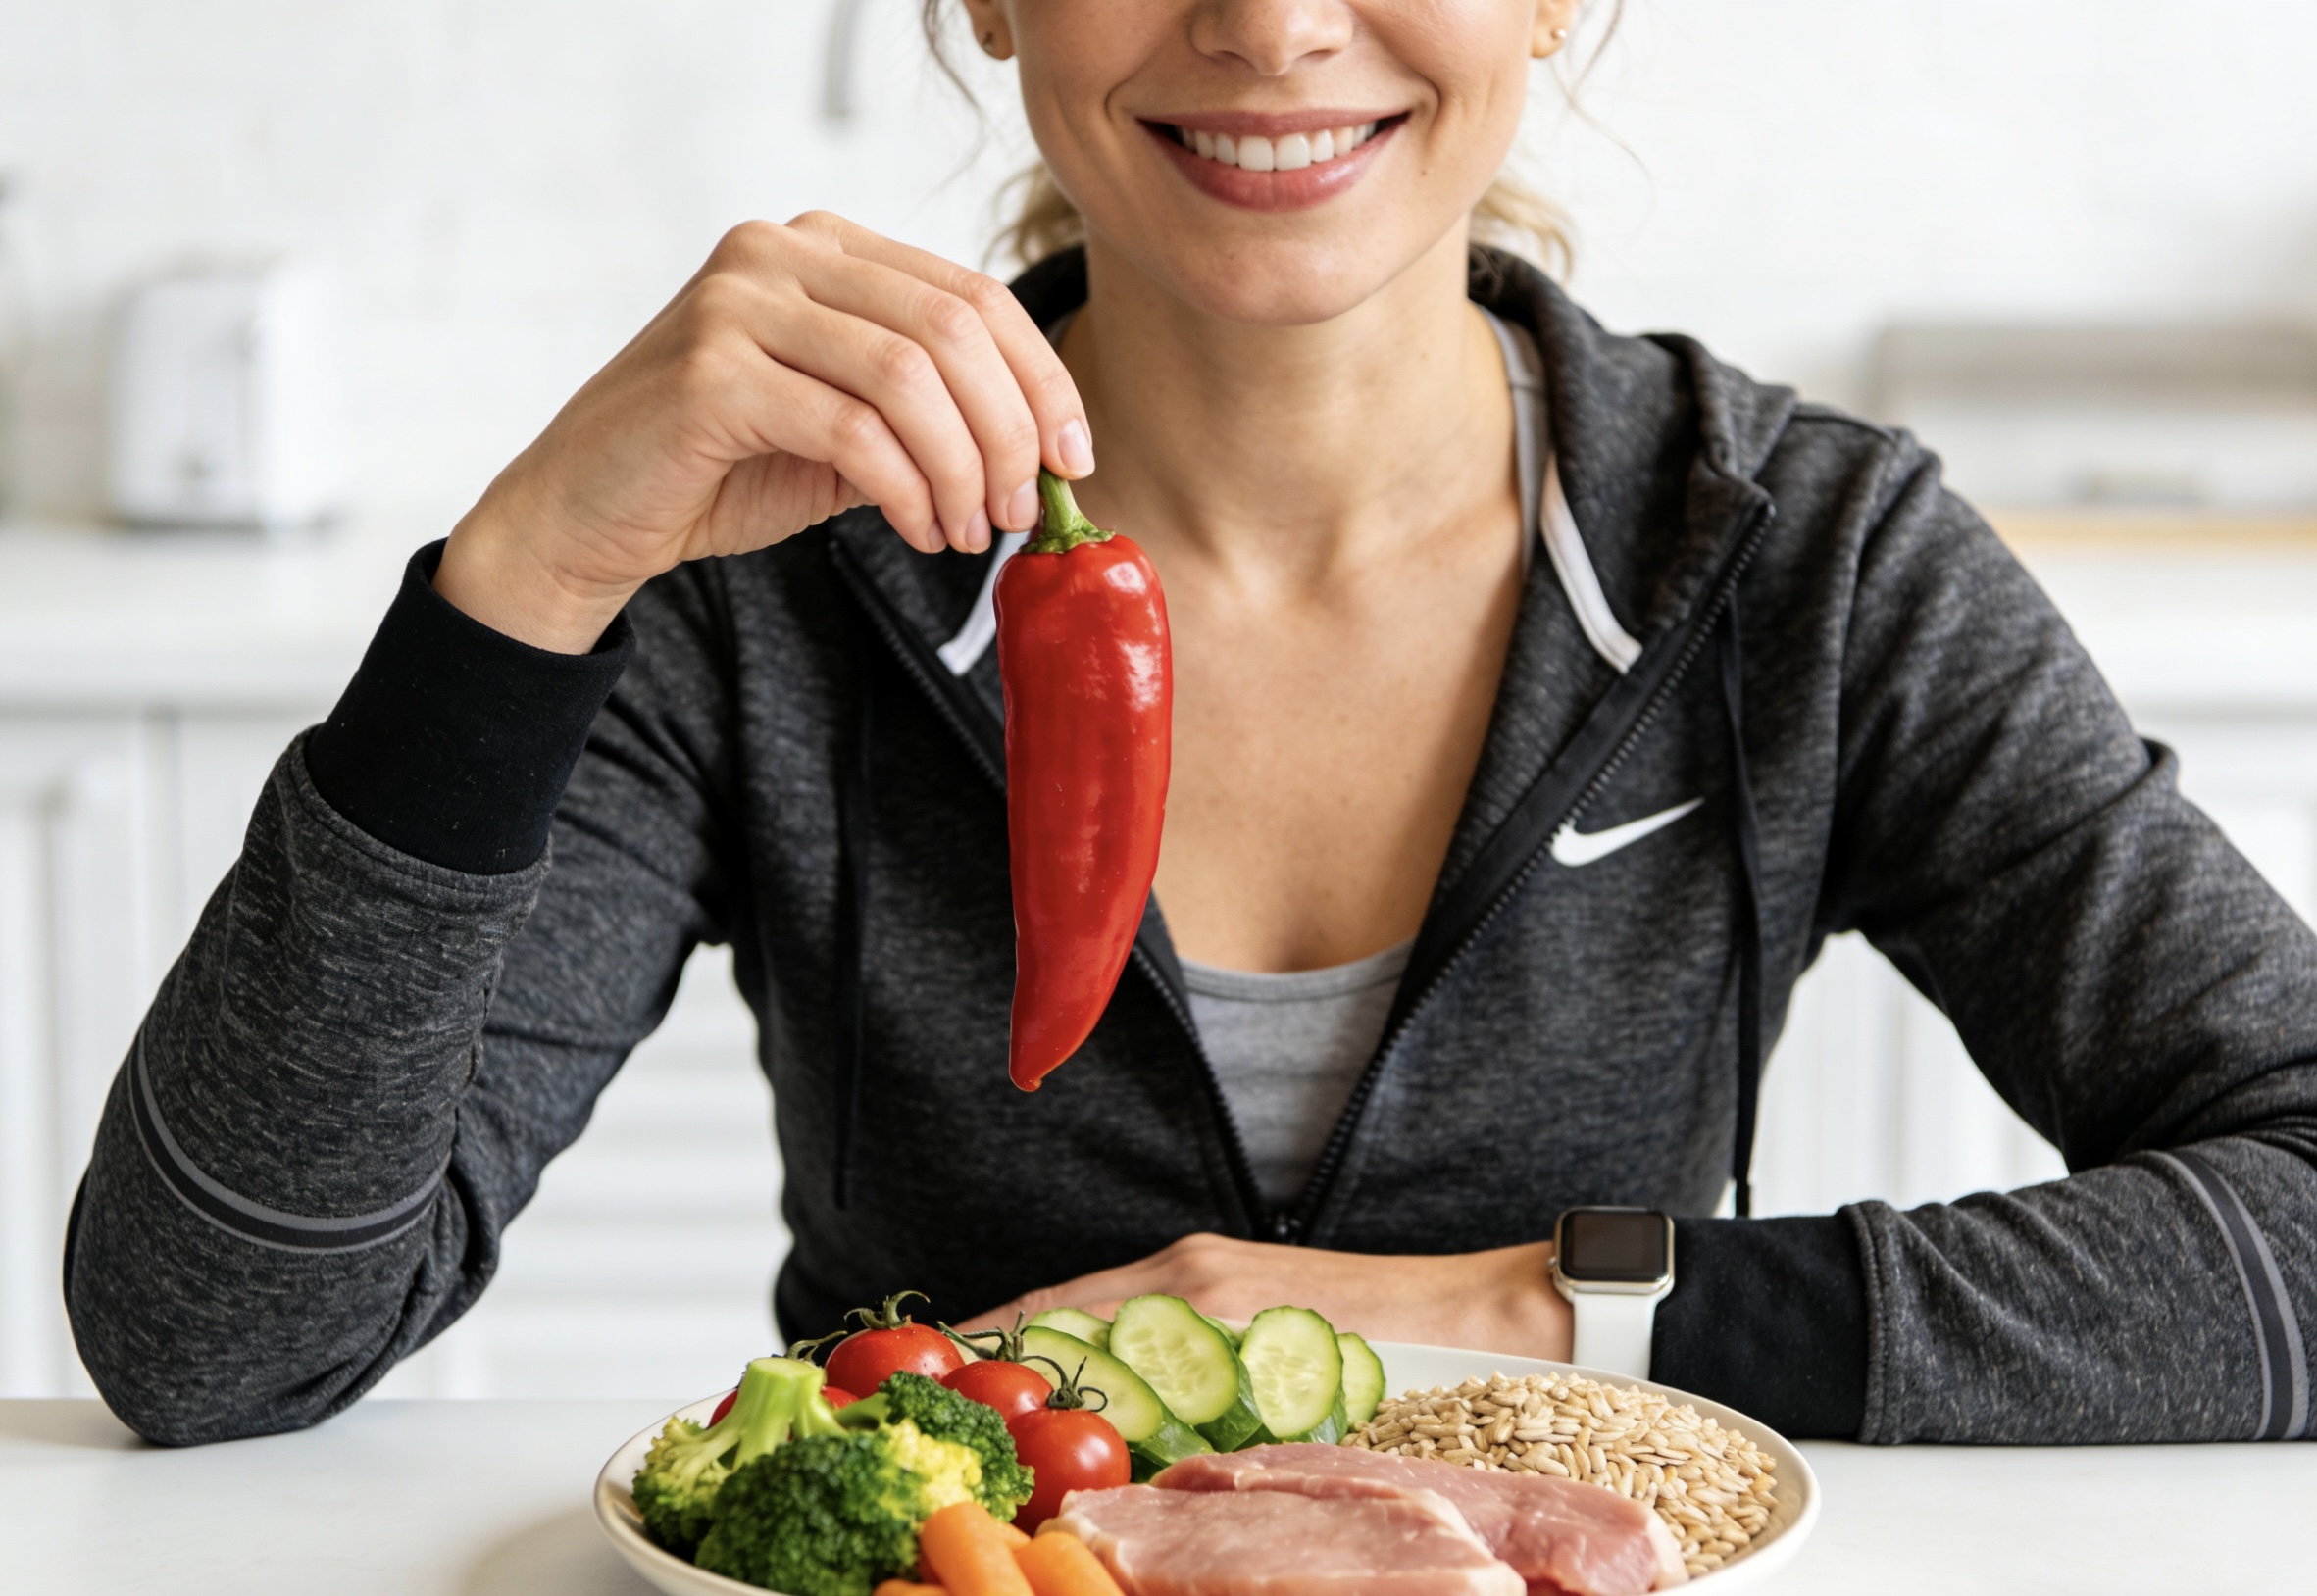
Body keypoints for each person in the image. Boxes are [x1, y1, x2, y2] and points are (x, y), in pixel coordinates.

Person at [66, 0, 2314, 1450]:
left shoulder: (1802, 561)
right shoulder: (767, 562)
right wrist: (525, 581)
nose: (1264, 22)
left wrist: (1547, 1315)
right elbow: (213, 1336)